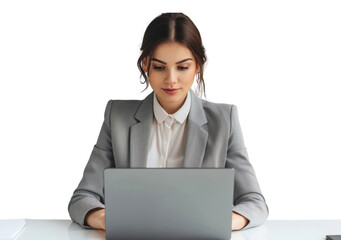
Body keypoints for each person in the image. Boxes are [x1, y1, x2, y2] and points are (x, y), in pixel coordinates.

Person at [68, 12, 268, 233]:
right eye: (159, 67)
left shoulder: (224, 120)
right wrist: (108, 220)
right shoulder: (117, 117)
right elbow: (82, 199)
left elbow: (254, 202)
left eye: (182, 67)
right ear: (145, 64)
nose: (171, 79)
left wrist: (221, 222)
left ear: (198, 66)